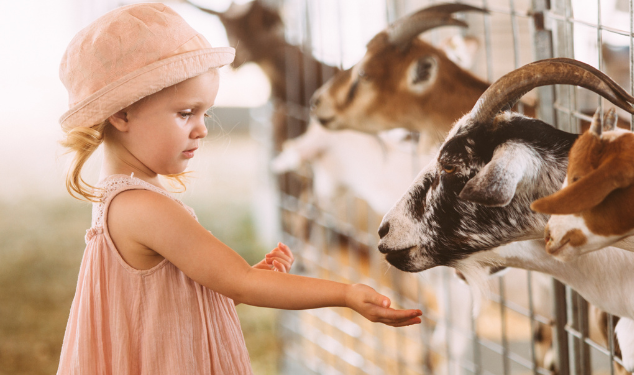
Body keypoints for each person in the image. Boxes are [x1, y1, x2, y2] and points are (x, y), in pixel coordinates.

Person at [56, 3, 422, 374]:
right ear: (122, 114)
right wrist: (344, 294)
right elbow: (242, 284)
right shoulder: (144, 208)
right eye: (185, 113)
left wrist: (247, 278)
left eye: (206, 114)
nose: (202, 129)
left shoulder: (124, 197)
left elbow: (167, 309)